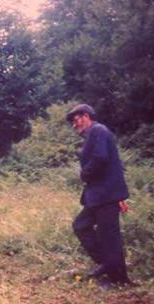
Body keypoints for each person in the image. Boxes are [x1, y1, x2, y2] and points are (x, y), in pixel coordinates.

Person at [66, 104, 132, 289]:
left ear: (86, 116)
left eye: (75, 119)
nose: (74, 124)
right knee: (81, 225)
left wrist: (83, 174)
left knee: (109, 237)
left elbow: (101, 159)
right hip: (98, 196)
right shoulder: (94, 134)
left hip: (106, 195)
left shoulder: (98, 131)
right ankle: (108, 265)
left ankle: (118, 280)